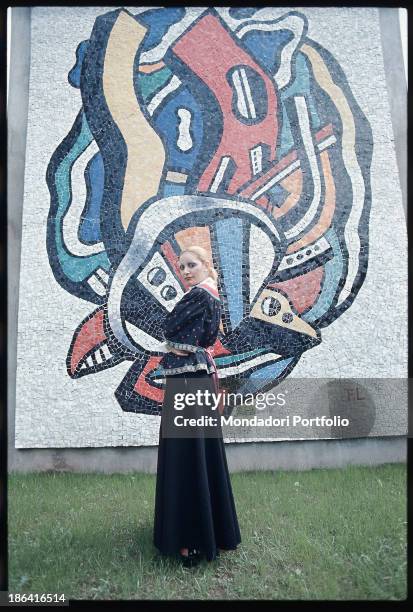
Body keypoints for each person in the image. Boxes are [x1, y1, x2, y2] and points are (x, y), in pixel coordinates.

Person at [153, 245, 241, 568]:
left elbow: (169, 327)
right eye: (182, 266)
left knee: (187, 453)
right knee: (199, 452)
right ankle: (208, 530)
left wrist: (176, 346)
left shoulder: (198, 296)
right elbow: (196, 337)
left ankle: (189, 538)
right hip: (198, 376)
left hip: (188, 380)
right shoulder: (212, 295)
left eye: (191, 264)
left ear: (206, 265)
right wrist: (181, 346)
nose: (185, 271)